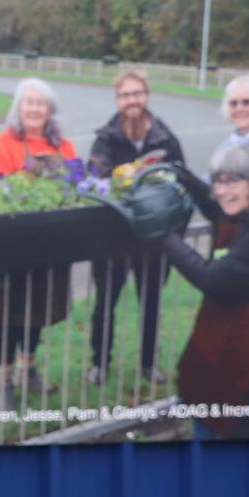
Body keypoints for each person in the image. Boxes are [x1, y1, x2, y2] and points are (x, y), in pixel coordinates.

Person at [161, 142, 249, 440]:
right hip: (229, 339)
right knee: (211, 414)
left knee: (241, 429)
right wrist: (186, 178)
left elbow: (210, 278)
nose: (223, 190)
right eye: (219, 181)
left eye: (233, 181)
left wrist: (161, 235)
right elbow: (219, 208)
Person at [85, 71, 188, 386]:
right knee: (105, 305)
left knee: (152, 305)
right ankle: (99, 364)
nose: (132, 100)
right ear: (118, 99)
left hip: (154, 242)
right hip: (113, 240)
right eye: (126, 95)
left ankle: (148, 363)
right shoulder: (106, 138)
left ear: (147, 96)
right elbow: (94, 182)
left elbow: (181, 185)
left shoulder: (165, 139)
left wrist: (175, 239)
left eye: (137, 93)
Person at [0, 77, 79, 401]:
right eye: (29, 102)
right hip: (10, 251)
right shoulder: (6, 142)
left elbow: (77, 187)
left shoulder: (63, 146)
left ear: (49, 109)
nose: (35, 108)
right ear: (19, 107)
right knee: (8, 316)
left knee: (38, 312)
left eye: (41, 103)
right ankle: (3, 382)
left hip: (48, 250)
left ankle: (29, 370)